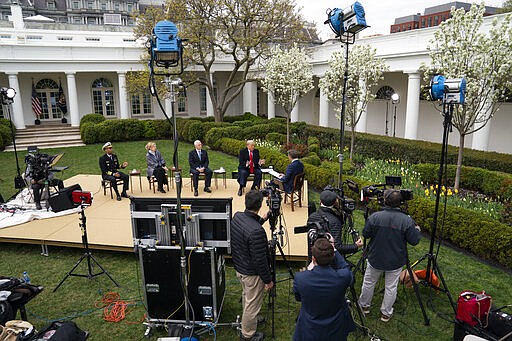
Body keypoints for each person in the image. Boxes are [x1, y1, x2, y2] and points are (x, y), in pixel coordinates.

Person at [358, 189, 422, 322]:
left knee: (369, 282)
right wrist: (417, 230)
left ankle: (364, 307)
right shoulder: (406, 220)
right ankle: (386, 314)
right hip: (395, 260)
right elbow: (414, 240)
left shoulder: (375, 217)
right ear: (401, 203)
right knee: (391, 287)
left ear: (385, 202)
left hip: (375, 257)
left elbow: (366, 233)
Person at [293, 238, 356, 341]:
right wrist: (334, 249)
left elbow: (298, 298)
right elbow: (345, 267)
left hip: (310, 327)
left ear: (313, 259)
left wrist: (308, 272)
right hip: (336, 327)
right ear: (333, 257)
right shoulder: (343, 277)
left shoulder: (301, 278)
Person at [231, 190, 273, 341]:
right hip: (251, 273)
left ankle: (249, 319)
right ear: (260, 205)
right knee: (252, 302)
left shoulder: (237, 217)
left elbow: (246, 234)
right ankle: (247, 334)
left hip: (240, 267)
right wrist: (268, 280)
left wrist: (262, 219)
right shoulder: (257, 231)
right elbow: (260, 260)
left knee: (247, 297)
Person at [307, 190, 363, 256]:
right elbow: (336, 247)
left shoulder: (312, 216)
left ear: (320, 201)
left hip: (313, 253)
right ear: (334, 203)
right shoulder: (335, 222)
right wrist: (356, 246)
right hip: (326, 258)